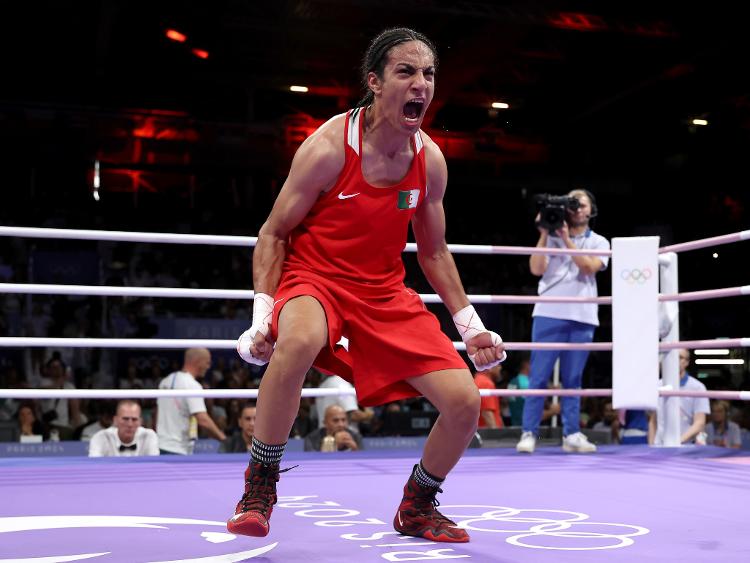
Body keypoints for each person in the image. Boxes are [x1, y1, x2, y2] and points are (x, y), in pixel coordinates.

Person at [229, 27, 506, 543]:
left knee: (466, 402)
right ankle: (260, 485)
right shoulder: (329, 148)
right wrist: (262, 316)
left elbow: (434, 251)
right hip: (314, 277)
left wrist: (472, 328)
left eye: (428, 74)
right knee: (300, 342)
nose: (420, 83)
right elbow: (273, 233)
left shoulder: (430, 161)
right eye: (406, 72)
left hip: (383, 293)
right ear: (375, 82)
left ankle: (417, 505)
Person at [517, 188, 609, 454]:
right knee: (539, 377)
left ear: (591, 210)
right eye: (572, 204)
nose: (577, 209)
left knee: (573, 378)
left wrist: (567, 241)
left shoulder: (600, 242)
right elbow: (536, 269)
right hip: (548, 313)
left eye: (581, 204)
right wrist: (545, 232)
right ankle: (528, 432)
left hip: (582, 315)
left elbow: (589, 267)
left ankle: (572, 434)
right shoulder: (550, 238)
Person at [156, 348, 226, 454]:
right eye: (207, 362)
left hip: (160, 445)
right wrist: (223, 438)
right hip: (177, 448)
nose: (208, 367)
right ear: (198, 361)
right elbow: (202, 419)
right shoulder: (192, 385)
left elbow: (156, 414)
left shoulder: (165, 381)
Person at [649, 349, 711, 446]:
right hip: (659, 446)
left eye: (680, 357)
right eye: (673, 356)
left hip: (686, 446)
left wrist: (677, 442)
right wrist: (651, 446)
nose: (675, 360)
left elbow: (699, 422)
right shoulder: (657, 385)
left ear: (686, 362)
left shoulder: (697, 387)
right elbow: (653, 421)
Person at [89, 400, 159, 457]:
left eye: (134, 419)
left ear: (140, 422)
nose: (130, 424)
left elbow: (154, 467)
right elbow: (94, 467)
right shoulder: (100, 437)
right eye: (125, 419)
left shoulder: (149, 436)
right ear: (115, 420)